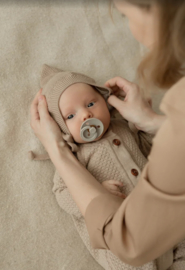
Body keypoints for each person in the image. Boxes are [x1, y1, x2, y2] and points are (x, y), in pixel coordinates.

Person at [30, 0, 185, 267]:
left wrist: (143, 129)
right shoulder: (77, 155)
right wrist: (97, 191)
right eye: (70, 116)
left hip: (160, 228)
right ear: (60, 127)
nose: (86, 116)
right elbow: (62, 191)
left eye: (90, 104)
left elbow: (157, 153)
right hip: (125, 234)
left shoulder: (124, 128)